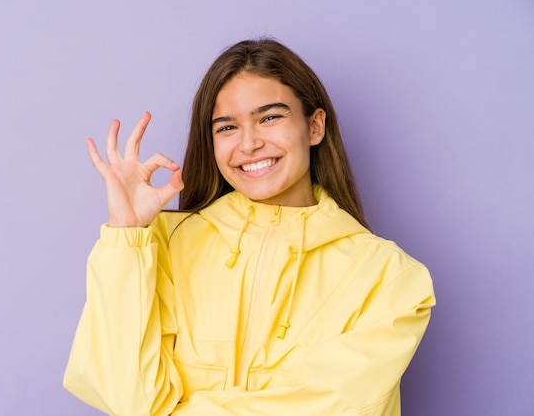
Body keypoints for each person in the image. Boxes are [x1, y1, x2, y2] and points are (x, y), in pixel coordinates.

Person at [63, 38, 435, 415]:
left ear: (315, 126)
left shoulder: (390, 278)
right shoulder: (161, 246)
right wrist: (126, 233)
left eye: (270, 117)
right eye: (226, 127)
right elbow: (126, 398)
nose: (250, 143)